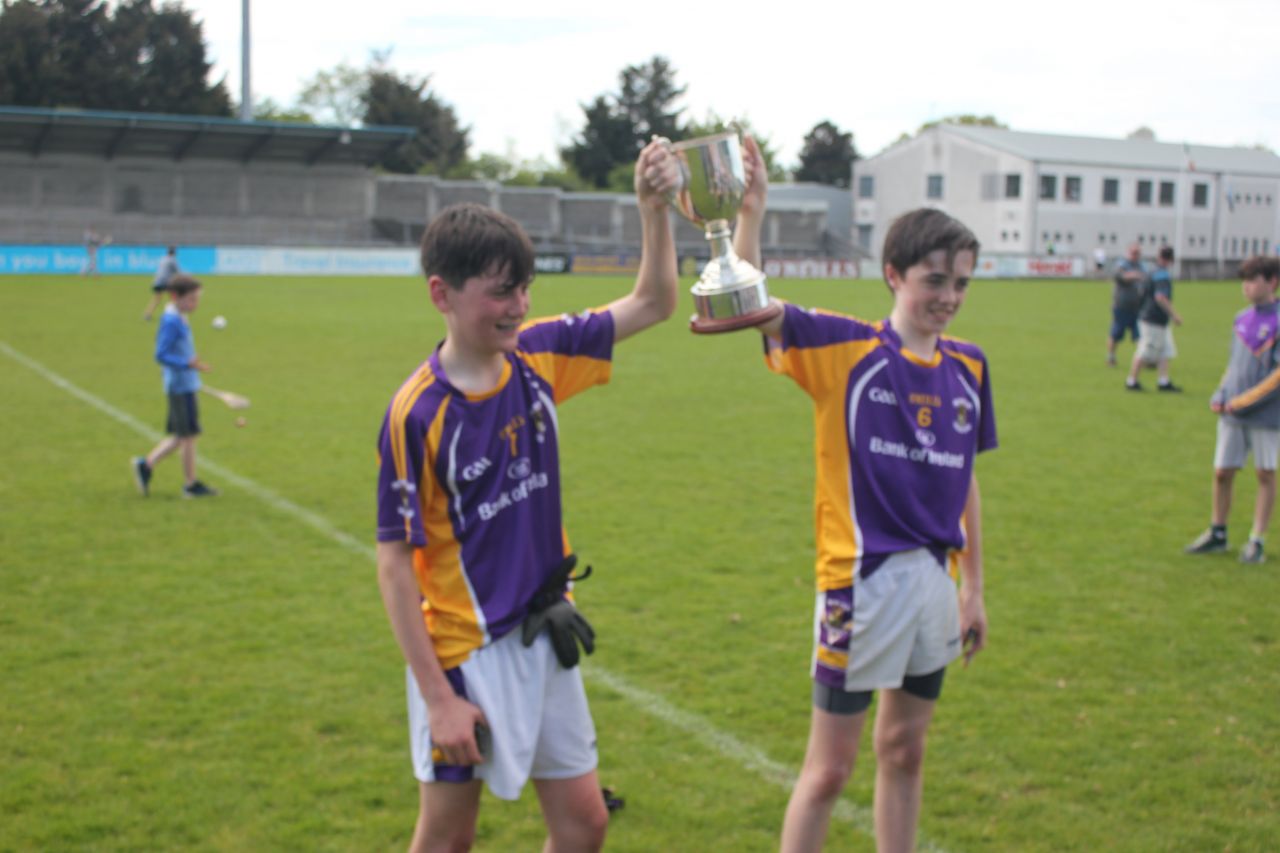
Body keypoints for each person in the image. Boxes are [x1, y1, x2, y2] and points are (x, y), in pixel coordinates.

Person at [374, 139, 680, 853]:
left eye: (522, 287)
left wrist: (652, 209)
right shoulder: (417, 413)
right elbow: (394, 566)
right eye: (499, 291)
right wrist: (439, 697)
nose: (517, 307)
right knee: (448, 838)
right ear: (441, 294)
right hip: (463, 653)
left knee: (583, 824)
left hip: (543, 632)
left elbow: (656, 301)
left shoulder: (539, 357)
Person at [736, 143, 996, 852]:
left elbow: (965, 475)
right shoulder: (846, 351)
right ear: (893, 274)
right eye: (933, 279)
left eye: (961, 283)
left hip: (934, 586)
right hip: (861, 586)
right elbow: (747, 304)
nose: (947, 295)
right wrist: (751, 213)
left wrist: (973, 586)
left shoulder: (970, 365)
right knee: (829, 769)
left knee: (906, 750)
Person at [1185, 255, 1280, 563]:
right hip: (1232, 413)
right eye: (1244, 280)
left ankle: (1257, 540)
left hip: (1265, 416)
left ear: (1272, 282)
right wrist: (1221, 392)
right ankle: (1218, 532)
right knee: (1222, 471)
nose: (1247, 286)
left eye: (1253, 280)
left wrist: (1244, 400)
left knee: (1265, 474)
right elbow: (1233, 366)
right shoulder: (1241, 319)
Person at [131, 275, 218, 499]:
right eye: (191, 299)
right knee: (188, 436)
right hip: (180, 387)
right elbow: (160, 354)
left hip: (185, 384)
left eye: (197, 299)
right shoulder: (171, 321)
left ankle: (146, 465)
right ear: (175, 297)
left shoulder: (180, 315)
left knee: (182, 436)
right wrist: (186, 364)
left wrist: (192, 365)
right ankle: (190, 485)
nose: (195, 304)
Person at [1125, 246, 1183, 392]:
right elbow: (1160, 297)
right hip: (1153, 318)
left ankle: (1163, 381)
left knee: (1164, 351)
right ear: (1171, 260)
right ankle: (1132, 381)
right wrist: (1174, 315)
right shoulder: (1162, 275)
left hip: (1150, 316)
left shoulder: (1150, 271)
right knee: (1146, 351)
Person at [1107, 243, 1144, 366]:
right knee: (1116, 333)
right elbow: (1120, 276)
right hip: (1121, 306)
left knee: (1139, 335)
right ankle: (1111, 357)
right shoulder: (1122, 264)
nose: (1135, 255)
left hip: (1137, 307)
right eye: (1133, 253)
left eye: (1137, 253)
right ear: (1128, 253)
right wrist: (1134, 275)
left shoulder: (1142, 266)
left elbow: (1147, 278)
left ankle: (1144, 358)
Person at [143, 246, 181, 321]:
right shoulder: (172, 260)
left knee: (157, 299)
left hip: (157, 281)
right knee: (174, 298)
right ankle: (172, 314)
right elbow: (178, 272)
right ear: (174, 253)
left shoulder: (163, 259)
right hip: (166, 282)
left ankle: (147, 314)